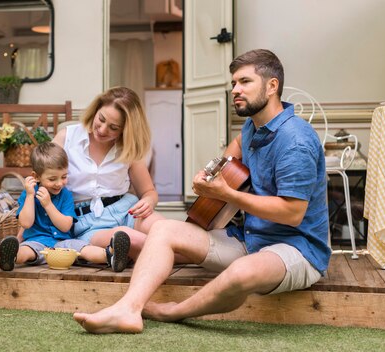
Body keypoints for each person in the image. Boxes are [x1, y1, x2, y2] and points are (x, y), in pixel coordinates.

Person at [73, 49, 331, 333]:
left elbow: (293, 213)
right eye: (233, 83)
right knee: (164, 230)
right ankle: (128, 309)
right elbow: (233, 151)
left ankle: (174, 311)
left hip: (296, 248)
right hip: (249, 240)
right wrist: (210, 174)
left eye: (245, 82)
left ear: (272, 87)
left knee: (242, 273)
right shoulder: (252, 127)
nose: (235, 90)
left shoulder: (296, 141)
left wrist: (228, 194)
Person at [52, 86, 164, 260]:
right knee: (132, 239)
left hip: (127, 210)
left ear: (126, 129)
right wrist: (25, 239)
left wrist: (149, 200)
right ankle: (184, 256)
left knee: (166, 230)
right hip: (87, 222)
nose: (103, 130)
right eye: (101, 119)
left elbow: (148, 192)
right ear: (96, 110)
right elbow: (39, 184)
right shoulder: (66, 138)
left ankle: (202, 254)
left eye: (113, 127)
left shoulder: (127, 148)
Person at [0, 142, 131, 272]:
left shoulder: (65, 195)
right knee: (26, 251)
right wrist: (29, 196)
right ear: (36, 177)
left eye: (64, 177)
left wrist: (48, 205)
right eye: (52, 179)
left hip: (64, 244)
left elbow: (65, 226)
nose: (59, 183)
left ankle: (111, 255)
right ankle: (12, 256)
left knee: (84, 248)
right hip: (36, 242)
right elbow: (26, 223)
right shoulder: (28, 194)